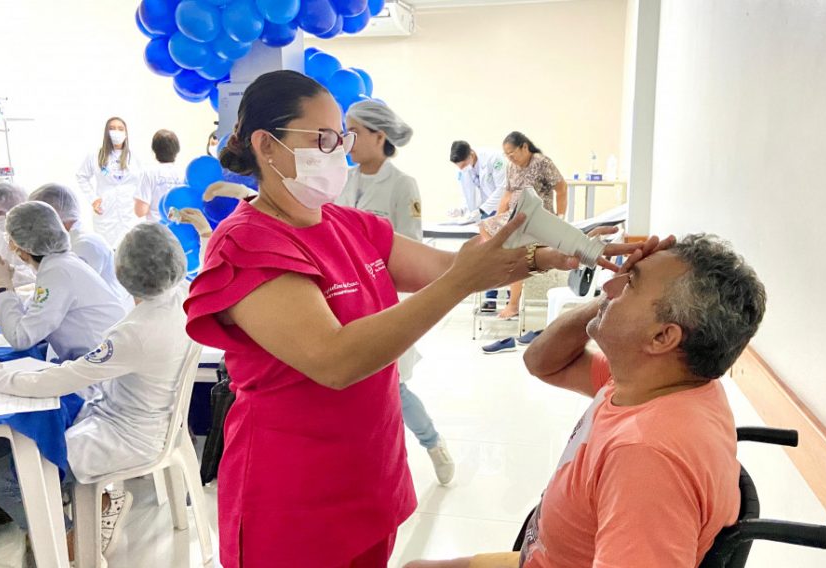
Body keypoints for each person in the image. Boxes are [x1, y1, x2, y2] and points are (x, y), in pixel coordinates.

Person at [186, 70, 635, 568]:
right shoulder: (248, 244)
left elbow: (447, 268)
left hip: (366, 475)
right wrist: (462, 281)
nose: (340, 152)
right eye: (324, 139)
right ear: (266, 146)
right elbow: (334, 359)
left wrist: (558, 253)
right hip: (293, 496)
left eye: (344, 139)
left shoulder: (346, 224)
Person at [404, 234, 768, 568]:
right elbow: (541, 362)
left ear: (662, 337)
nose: (609, 285)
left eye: (630, 284)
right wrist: (611, 302)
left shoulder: (644, 458)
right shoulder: (664, 380)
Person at [0, 222, 193, 561]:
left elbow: (63, 380)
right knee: (30, 436)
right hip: (141, 417)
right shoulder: (182, 296)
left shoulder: (137, 332)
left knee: (2, 478)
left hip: (125, 434)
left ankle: (70, 543)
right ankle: (95, 503)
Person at [337, 100, 455, 485]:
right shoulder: (342, 180)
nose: (346, 140)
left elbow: (412, 247)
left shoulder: (403, 186)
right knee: (354, 390)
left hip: (381, 301)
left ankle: (432, 443)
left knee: (394, 388)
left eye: (354, 131)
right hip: (343, 301)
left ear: (379, 136)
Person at [0, 201, 127, 361]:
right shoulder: (61, 263)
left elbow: (21, 337)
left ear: (19, 246)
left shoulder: (58, 271)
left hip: (99, 371)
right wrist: (7, 282)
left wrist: (1, 284)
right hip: (97, 362)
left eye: (10, 240)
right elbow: (32, 314)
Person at [483, 131, 568, 319]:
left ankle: (513, 304)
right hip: (515, 218)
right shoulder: (511, 167)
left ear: (524, 147)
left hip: (538, 220)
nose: (509, 158)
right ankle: (495, 276)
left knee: (516, 251)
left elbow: (561, 188)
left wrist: (560, 218)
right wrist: (497, 222)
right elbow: (507, 194)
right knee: (483, 228)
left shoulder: (542, 162)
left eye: (512, 153)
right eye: (506, 154)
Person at [30, 183, 130, 306]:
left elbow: (62, 291)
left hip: (103, 320)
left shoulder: (85, 245)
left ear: (54, 214)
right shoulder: (73, 241)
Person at [76, 117, 143, 247]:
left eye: (120, 129)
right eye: (112, 128)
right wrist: (93, 199)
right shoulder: (95, 155)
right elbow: (81, 176)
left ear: (126, 133)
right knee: (107, 249)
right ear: (106, 132)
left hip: (129, 212)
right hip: (105, 212)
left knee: (130, 249)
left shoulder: (134, 157)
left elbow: (144, 181)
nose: (116, 132)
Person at [135, 129, 186, 222]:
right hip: (178, 229)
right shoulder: (183, 173)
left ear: (154, 150)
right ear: (177, 150)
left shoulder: (148, 173)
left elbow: (141, 211)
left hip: (156, 230)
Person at [449, 140, 507, 220]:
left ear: (471, 154)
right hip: (485, 211)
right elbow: (468, 193)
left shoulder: (493, 158)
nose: (462, 169)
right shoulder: (463, 169)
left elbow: (502, 189)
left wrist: (481, 210)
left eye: (464, 165)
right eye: (459, 167)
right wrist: (462, 210)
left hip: (502, 208)